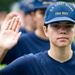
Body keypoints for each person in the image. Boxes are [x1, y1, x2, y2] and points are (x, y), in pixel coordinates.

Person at [0, 2, 75, 75]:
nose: (62, 31)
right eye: (56, 26)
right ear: (46, 30)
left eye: (69, 26)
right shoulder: (29, 63)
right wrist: (2, 48)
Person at [1, 0, 57, 64]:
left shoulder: (64, 42)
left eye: (52, 13)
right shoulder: (19, 42)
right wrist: (2, 47)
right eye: (43, 13)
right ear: (33, 16)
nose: (48, 17)